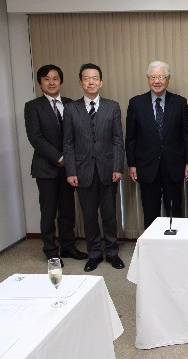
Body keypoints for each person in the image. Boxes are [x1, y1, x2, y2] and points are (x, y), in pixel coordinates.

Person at [63, 63, 125, 272]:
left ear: (101, 82)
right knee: (89, 215)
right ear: (81, 82)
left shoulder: (112, 106)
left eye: (95, 78)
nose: (91, 81)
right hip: (82, 170)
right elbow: (68, 143)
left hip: (108, 168)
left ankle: (112, 252)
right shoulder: (71, 109)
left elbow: (118, 140)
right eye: (87, 78)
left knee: (109, 214)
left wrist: (118, 167)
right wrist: (70, 170)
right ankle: (94, 253)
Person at [24, 64, 88, 266]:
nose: (51, 83)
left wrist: (72, 161)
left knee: (68, 209)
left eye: (55, 79)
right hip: (47, 168)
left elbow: (77, 135)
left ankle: (68, 246)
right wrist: (60, 158)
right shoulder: (33, 106)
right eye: (46, 79)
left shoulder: (70, 104)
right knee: (49, 211)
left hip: (69, 169)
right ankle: (51, 250)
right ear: (40, 83)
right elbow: (36, 138)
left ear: (61, 81)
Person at [125, 61, 188, 229]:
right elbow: (131, 138)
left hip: (174, 165)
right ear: (148, 79)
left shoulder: (180, 103)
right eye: (153, 77)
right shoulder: (136, 103)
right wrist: (132, 164)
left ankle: (177, 243)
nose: (157, 81)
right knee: (150, 210)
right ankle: (152, 245)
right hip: (146, 166)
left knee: (175, 210)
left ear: (168, 79)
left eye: (161, 77)